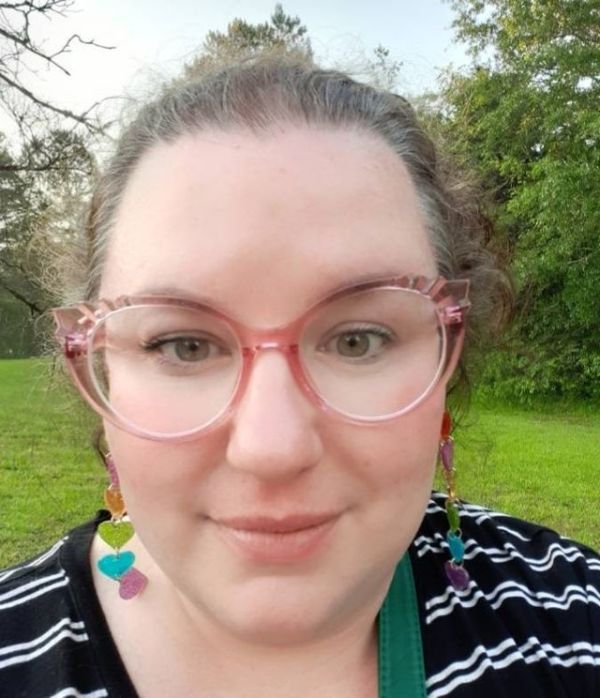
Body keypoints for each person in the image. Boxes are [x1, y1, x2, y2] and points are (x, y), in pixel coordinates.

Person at [1, 53, 598, 698]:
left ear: (447, 360)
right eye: (184, 345)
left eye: (357, 339)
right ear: (103, 374)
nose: (273, 449)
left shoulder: (575, 625)